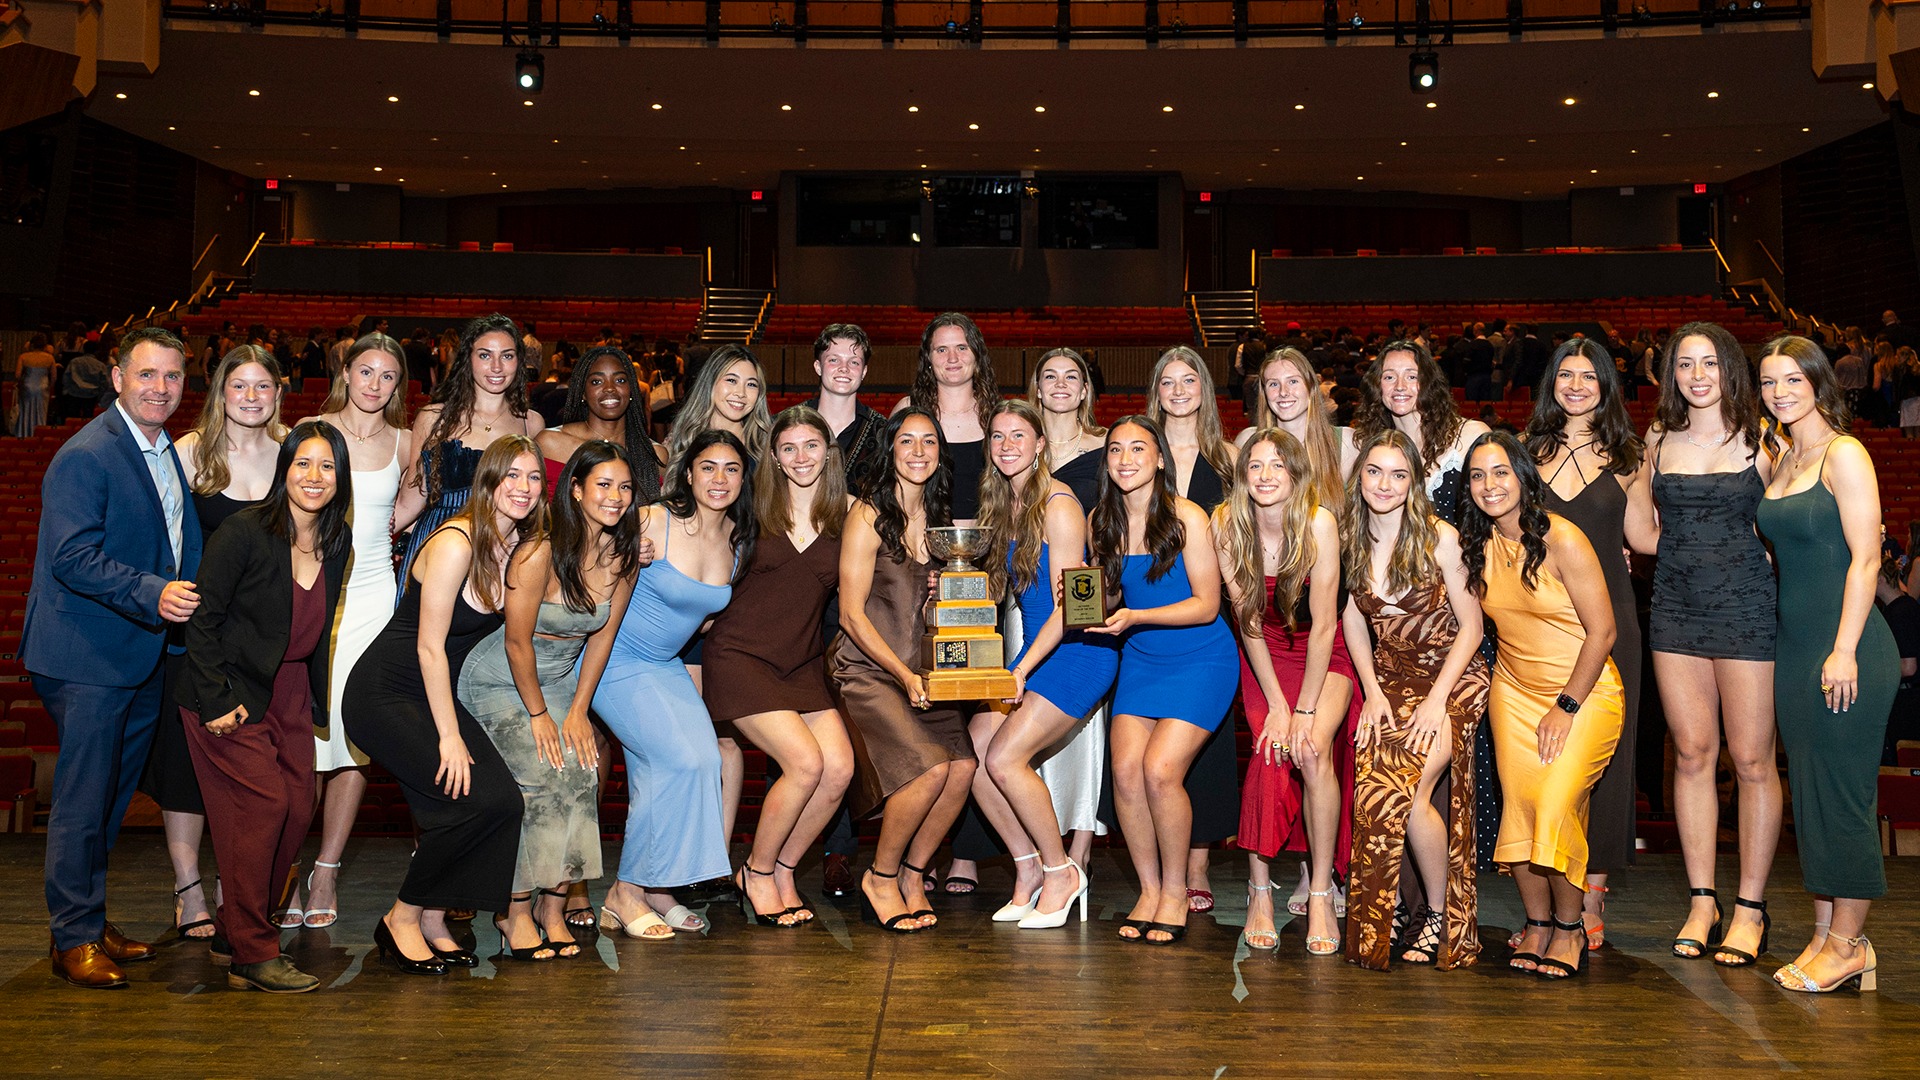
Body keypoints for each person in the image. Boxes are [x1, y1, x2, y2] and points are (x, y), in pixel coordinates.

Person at [26, 326, 203, 988]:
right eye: (148, 375)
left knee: (109, 799)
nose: (161, 388)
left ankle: (90, 923)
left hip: (137, 654)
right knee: (83, 801)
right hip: (87, 654)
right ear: (118, 377)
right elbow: (71, 556)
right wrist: (153, 593)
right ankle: (72, 937)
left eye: (173, 377)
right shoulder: (89, 454)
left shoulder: (160, 450)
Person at [343, 436, 540, 975]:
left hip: (431, 695)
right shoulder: (457, 542)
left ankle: (432, 916)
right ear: (488, 482)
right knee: (473, 800)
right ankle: (402, 917)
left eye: (533, 478)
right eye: (511, 476)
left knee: (501, 802)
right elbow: (430, 647)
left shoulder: (517, 545)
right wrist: (450, 736)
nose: (522, 488)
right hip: (386, 693)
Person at [178, 422, 352, 992]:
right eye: (303, 463)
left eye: (327, 466)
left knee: (298, 807)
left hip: (293, 692)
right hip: (228, 691)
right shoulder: (244, 532)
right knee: (263, 806)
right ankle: (254, 951)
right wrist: (215, 699)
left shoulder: (336, 539)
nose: (314, 477)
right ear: (285, 469)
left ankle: (236, 928)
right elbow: (203, 620)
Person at [1630, 321, 1780, 968]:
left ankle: (1750, 907)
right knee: (1691, 755)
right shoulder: (1658, 439)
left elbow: (1793, 519)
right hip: (1677, 611)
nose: (1696, 375)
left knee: (1751, 761)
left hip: (1748, 610)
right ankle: (1702, 900)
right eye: (1684, 364)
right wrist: (1691, 552)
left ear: (1730, 371)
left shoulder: (1764, 439)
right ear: (1669, 374)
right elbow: (1640, 530)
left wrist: (1742, 558)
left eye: (1709, 364)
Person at [458, 441, 643, 959]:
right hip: (501, 680)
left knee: (582, 773)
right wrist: (541, 716)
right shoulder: (539, 550)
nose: (615, 496)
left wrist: (580, 709)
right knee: (544, 775)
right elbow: (516, 641)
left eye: (625, 487)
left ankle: (553, 906)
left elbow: (600, 640)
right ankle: (512, 909)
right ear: (577, 490)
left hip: (562, 680)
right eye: (603, 485)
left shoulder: (623, 558)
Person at [1754, 335, 1896, 993]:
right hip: (1797, 649)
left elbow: (1865, 558)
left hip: (1849, 649)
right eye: (1768, 382)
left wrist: (1843, 649)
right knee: (1811, 797)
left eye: (1791, 380)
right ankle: (1823, 936)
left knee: (1843, 795)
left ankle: (1849, 945)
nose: (1779, 393)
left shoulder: (1845, 453)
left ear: (1817, 381)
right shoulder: (1783, 461)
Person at [1462, 431, 1624, 980]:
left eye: (1501, 472)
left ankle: (1571, 927)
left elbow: (1603, 632)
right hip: (1513, 692)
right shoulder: (1474, 544)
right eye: (1478, 475)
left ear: (1524, 477)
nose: (1490, 486)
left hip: (1583, 691)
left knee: (1556, 804)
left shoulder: (1563, 538)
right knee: (1521, 809)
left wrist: (1566, 705)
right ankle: (1536, 923)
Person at [141, 344, 288, 939]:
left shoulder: (291, 457)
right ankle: (188, 888)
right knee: (185, 772)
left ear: (278, 393)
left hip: (265, 637)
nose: (251, 398)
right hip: (198, 634)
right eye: (239, 386)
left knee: (252, 774)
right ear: (220, 391)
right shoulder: (188, 454)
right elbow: (162, 541)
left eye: (262, 387)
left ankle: (238, 883)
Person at [592, 430, 754, 940]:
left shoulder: (736, 540)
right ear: (687, 472)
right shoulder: (652, 520)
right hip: (612, 659)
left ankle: (661, 890)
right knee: (676, 761)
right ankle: (625, 890)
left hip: (663, 664)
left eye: (731, 469)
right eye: (708, 467)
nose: (719, 479)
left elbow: (702, 617)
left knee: (706, 761)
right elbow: (587, 564)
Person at [1340, 430, 1490, 970]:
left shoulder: (1439, 538)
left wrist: (1437, 703)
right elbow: (1354, 618)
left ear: (1413, 483)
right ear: (1360, 477)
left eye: (1398, 474)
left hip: (1453, 675)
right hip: (1392, 678)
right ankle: (1399, 907)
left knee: (1412, 785)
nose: (1385, 484)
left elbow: (1472, 627)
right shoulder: (1349, 537)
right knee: (1376, 780)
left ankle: (1439, 916)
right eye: (1375, 472)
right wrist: (1373, 693)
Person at [966, 401, 1117, 928]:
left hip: (1078, 652)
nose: (1007, 446)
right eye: (998, 437)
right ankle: (1028, 866)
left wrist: (1021, 669)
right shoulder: (1004, 503)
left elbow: (1073, 608)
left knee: (1005, 758)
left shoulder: (1059, 505)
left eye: (1018, 436)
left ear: (1040, 446)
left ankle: (1062, 872)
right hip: (1037, 652)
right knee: (978, 754)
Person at [1520, 339, 1651, 949]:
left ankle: (1593, 889)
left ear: (1606, 386)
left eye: (1589, 376)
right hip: (1541, 623)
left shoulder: (1629, 455)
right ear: (1552, 383)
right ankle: (1550, 889)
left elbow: (1644, 536)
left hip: (1611, 619)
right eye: (1566, 375)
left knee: (1607, 759)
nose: (1577, 385)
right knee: (1545, 761)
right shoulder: (1527, 452)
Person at [703, 408, 855, 926]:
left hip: (802, 662)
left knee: (839, 769)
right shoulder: (750, 508)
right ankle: (757, 870)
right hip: (740, 656)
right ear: (773, 455)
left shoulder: (850, 515)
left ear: (828, 452)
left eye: (811, 446)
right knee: (805, 764)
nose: (800, 458)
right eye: (788, 448)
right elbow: (691, 522)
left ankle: (785, 867)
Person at [1089, 415, 1238, 945]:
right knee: (1126, 772)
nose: (1126, 459)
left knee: (1159, 771)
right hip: (1143, 659)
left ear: (1158, 459)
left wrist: (1133, 617)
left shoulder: (1187, 517)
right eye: (1115, 450)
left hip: (1202, 657)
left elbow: (1207, 604)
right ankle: (1149, 891)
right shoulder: (1099, 521)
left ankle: (1175, 891)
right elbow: (1107, 595)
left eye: (1138, 449)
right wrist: (1082, 602)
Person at [830, 410, 974, 933]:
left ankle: (915, 876)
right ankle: (881, 876)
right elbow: (850, 613)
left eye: (929, 441)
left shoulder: (939, 521)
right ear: (890, 449)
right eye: (906, 441)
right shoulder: (868, 514)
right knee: (929, 769)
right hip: (868, 670)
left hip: (922, 671)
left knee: (961, 771)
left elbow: (928, 606)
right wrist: (904, 675)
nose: (918, 450)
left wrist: (946, 597)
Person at [1216, 429, 1355, 955]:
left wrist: (1304, 708)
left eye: (1278, 465)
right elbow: (1249, 622)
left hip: (1322, 655)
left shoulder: (1319, 523)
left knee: (1312, 749)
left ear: (1297, 474)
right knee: (1269, 752)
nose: (1267, 475)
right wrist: (1276, 704)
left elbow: (1324, 626)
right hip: (1265, 655)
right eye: (1255, 466)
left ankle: (1320, 890)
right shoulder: (1228, 526)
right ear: (1242, 474)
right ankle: (1258, 892)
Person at [297, 332, 413, 931]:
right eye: (365, 371)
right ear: (345, 372)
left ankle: (327, 869)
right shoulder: (312, 427)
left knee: (351, 739)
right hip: (316, 591)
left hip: (373, 599)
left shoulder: (405, 440)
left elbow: (413, 498)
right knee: (306, 742)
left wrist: (389, 529)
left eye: (387, 376)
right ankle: (287, 864)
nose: (375, 384)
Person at [1142, 346, 1242, 914]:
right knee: (1147, 754)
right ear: (1155, 391)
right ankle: (1158, 871)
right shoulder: (1136, 452)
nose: (1178, 391)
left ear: (1203, 389)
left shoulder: (1229, 459)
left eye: (1189, 381)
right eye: (1167, 382)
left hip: (1209, 616)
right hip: (1145, 625)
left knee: (1205, 746)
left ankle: (1198, 864)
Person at [393, 314, 547, 591]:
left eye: (507, 356)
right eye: (485, 355)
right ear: (468, 359)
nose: (497, 366)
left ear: (519, 362)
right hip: (437, 544)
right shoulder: (433, 418)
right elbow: (411, 497)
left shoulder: (532, 423)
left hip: (501, 553)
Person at [891, 313, 998, 526]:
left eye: (962, 347)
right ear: (928, 358)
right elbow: (887, 483)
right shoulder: (908, 411)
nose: (952, 358)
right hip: (920, 545)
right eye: (941, 350)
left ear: (977, 355)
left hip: (991, 547)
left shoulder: (997, 415)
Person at [536, 344, 666, 503]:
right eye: (597, 381)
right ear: (583, 392)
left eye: (620, 380)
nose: (610, 388)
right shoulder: (550, 444)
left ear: (631, 389)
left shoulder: (654, 455)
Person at [805, 323, 889, 495]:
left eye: (854, 362)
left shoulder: (883, 432)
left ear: (864, 372)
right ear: (818, 367)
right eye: (834, 360)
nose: (844, 368)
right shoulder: (787, 424)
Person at [664, 343, 771, 466]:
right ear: (710, 383)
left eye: (751, 384)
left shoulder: (766, 445)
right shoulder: (683, 438)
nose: (741, 393)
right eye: (731, 380)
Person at [13, 331, 58, 437]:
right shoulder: (50, 358)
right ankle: (39, 434)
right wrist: (49, 386)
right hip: (43, 387)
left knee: (25, 411)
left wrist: (21, 383)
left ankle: (23, 433)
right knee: (41, 412)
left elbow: (18, 375)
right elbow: (54, 377)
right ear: (45, 345)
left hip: (27, 386)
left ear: (32, 344)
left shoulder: (24, 357)